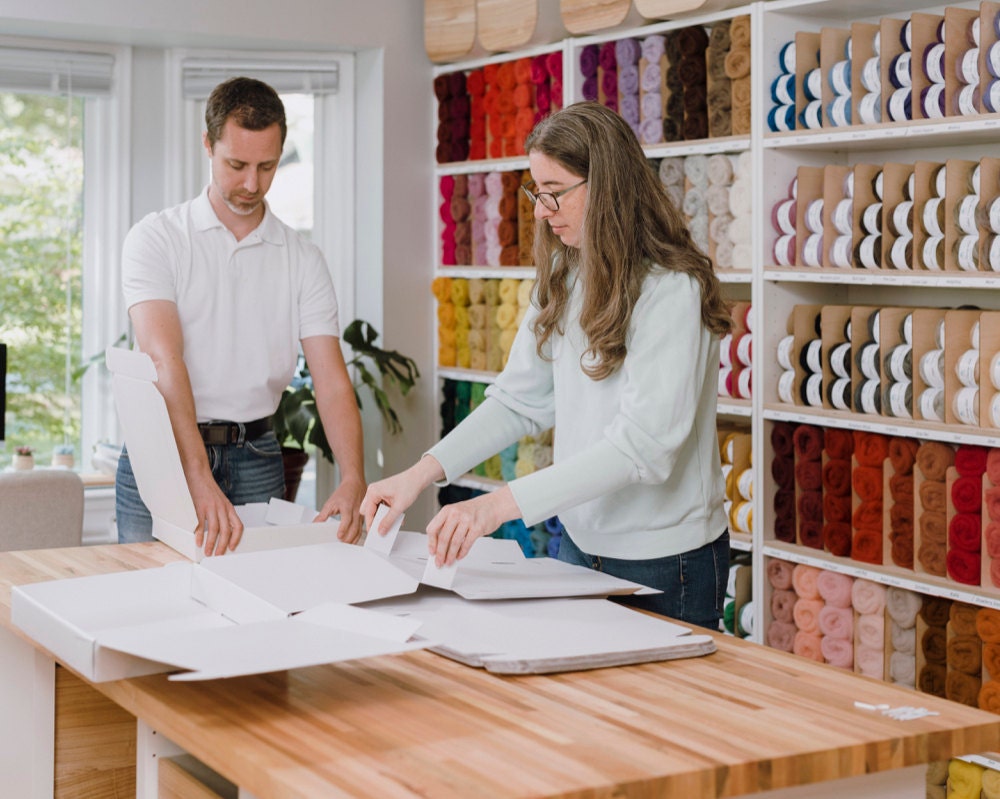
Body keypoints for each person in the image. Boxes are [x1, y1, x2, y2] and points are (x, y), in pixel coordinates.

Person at [361, 101, 732, 629]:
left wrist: (493, 507)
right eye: (537, 192)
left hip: (669, 563)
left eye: (554, 192)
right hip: (578, 547)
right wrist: (420, 474)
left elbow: (644, 447)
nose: (540, 210)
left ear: (606, 186)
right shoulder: (565, 274)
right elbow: (518, 401)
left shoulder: (673, 289)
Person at [116, 76, 365, 556]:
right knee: (150, 601)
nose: (252, 184)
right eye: (236, 165)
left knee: (259, 607)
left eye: (267, 166)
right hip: (163, 452)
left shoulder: (302, 258)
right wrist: (197, 475)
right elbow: (164, 359)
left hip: (257, 454)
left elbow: (331, 381)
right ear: (207, 145)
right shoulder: (156, 239)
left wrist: (353, 477)